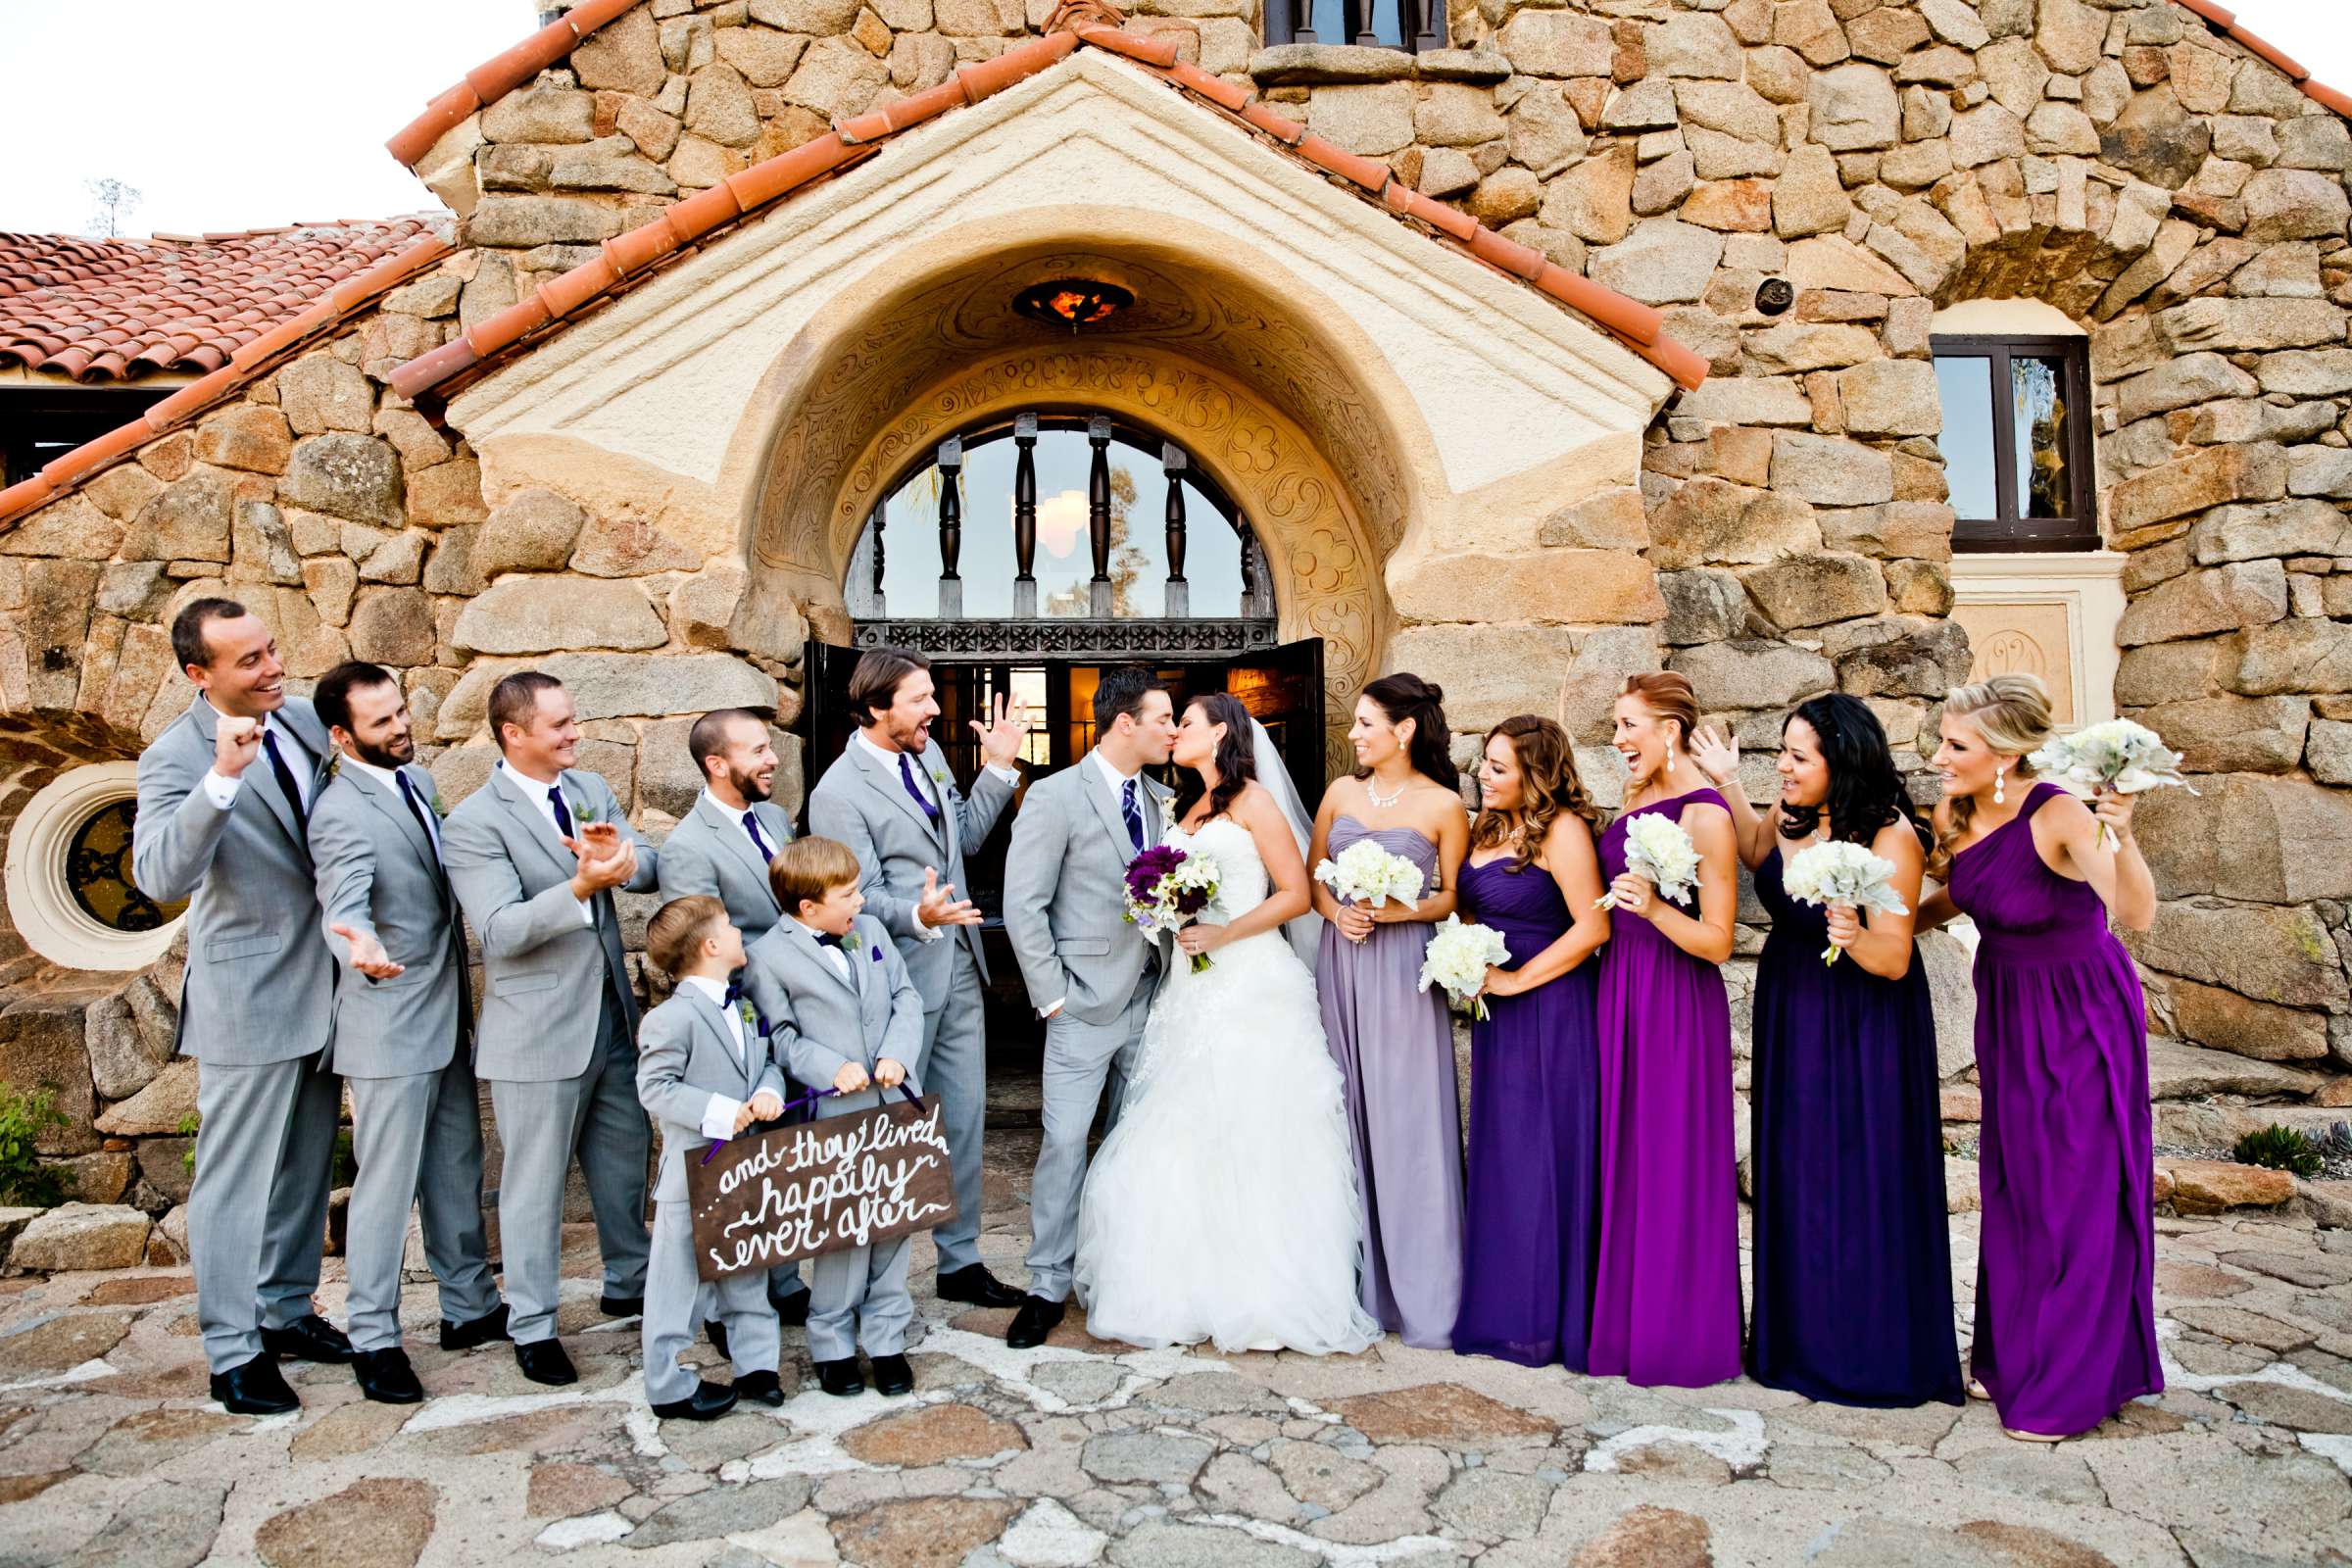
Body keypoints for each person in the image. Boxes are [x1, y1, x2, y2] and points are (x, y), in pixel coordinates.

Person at [1073, 694, 1380, 1354]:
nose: (1175, 731)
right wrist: (1164, 913)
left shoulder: (1253, 802)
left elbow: (1295, 893)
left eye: (1186, 722)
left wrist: (1224, 930)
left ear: (1221, 732)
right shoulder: (1187, 808)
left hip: (1249, 980)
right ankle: (1182, 1285)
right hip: (1190, 986)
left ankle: (1262, 1291)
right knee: (1186, 1125)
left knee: (1251, 1125)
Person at [1694, 695, 1962, 1409]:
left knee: (1859, 1171)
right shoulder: (1793, 820)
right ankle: (1798, 1342)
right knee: (1798, 1168)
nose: (1783, 765)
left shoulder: (1889, 836)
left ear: (1839, 762)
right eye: (1781, 751)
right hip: (1794, 1010)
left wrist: (1848, 929)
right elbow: (1756, 851)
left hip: (1863, 1022)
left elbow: (1894, 958)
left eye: (1798, 756)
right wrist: (1726, 778)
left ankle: (1864, 1348)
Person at [1919, 674, 2160, 1442]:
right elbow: (1961, 898)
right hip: (2011, 1013)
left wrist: (2123, 831)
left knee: (2075, 1186)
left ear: (2003, 751)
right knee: (2019, 1182)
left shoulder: (2056, 811)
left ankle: (2070, 1382)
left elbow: (2135, 913)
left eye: (1956, 745)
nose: (1939, 756)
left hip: (2081, 1012)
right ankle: (2013, 1355)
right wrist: (1869, 917)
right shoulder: (1956, 815)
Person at [131, 599, 350, 1415]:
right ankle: (231, 1352)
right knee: (233, 1183)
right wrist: (221, 779)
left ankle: (287, 1311)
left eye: (271, 650)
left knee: (304, 1167)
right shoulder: (172, 757)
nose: (273, 668)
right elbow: (157, 878)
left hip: (330, 984)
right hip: (249, 996)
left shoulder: (297, 721)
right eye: (250, 661)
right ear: (200, 675)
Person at [441, 671, 657, 1387]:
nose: (574, 733)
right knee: (532, 1187)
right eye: (559, 724)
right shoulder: (474, 822)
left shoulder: (590, 787)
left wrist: (624, 864)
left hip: (612, 1015)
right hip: (534, 1030)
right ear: (513, 733)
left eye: (573, 719)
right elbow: (500, 931)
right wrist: (580, 888)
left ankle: (631, 1280)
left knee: (626, 1161)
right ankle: (532, 1324)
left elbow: (643, 859)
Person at [807, 647, 1028, 1313]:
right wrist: (914, 914)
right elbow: (853, 897)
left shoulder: (927, 757)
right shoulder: (836, 794)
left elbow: (961, 837)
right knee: (893, 1132)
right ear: (878, 709)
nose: (935, 709)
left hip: (961, 966)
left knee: (962, 1121)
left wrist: (997, 769)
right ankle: (875, 1286)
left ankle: (959, 1262)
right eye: (921, 699)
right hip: (894, 984)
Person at [309, 662, 506, 1405]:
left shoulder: (417, 784)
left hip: (446, 1007)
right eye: (383, 721)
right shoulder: (339, 814)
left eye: (400, 711)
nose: (401, 728)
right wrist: (356, 945)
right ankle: (374, 1337)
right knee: (386, 1187)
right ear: (341, 733)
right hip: (388, 1018)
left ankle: (469, 1307)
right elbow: (345, 899)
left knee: (457, 1161)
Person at [1000, 666, 1178, 1348]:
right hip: (1080, 1004)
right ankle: (1046, 1284)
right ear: (1124, 722)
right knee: (1066, 1144)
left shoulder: (1163, 797)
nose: (1172, 729)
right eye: (1163, 718)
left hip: (1152, 997)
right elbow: (1025, 904)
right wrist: (1053, 998)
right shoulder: (1054, 795)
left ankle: (1122, 1272)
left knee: (1136, 1144)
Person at [1306, 672, 1469, 1349]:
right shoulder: (1340, 792)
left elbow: (1452, 897)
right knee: (1342, 1110)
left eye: (1366, 723)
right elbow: (1314, 876)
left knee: (1408, 1117)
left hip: (1404, 969)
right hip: (1340, 963)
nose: (1353, 735)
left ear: (1403, 730)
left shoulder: (1443, 805)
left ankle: (1422, 1288)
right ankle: (1352, 1280)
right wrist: (1338, 909)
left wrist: (1401, 906)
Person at [1589, 671, 1741, 1388]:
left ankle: (1680, 1335)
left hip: (1677, 998)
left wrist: (1651, 910)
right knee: (1627, 1153)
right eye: (1615, 727)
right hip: (1619, 988)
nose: (1618, 740)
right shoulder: (1634, 800)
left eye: (1628, 725)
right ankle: (1625, 1326)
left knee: (1673, 1157)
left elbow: (1717, 940)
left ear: (1670, 730)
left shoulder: (1705, 814)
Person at [1450, 716, 1609, 1371]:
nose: (1484, 776)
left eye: (1498, 767)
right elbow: (1470, 904)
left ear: (1534, 774)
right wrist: (1463, 959)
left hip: (1551, 1010)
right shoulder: (1489, 827)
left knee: (1545, 1156)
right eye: (1484, 764)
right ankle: (1503, 1307)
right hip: (1498, 1016)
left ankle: (1545, 1317)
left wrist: (1516, 981)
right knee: (1504, 1154)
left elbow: (1593, 927)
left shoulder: (1563, 831)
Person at [744, 839, 928, 1397]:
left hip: (895, 1101)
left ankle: (888, 1339)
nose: (858, 900)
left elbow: (905, 997)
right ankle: (832, 1343)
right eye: (846, 894)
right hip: (835, 1109)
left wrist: (897, 1052)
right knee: (844, 1233)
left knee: (895, 1223)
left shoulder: (869, 931)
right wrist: (832, 1066)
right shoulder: (766, 956)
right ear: (808, 908)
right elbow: (779, 1037)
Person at [657, 707, 808, 1323]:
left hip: (798, 1016)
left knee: (789, 1156)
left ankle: (785, 1276)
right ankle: (725, 1311)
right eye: (756, 751)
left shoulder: (774, 817)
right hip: (742, 1024)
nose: (772, 760)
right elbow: (706, 953)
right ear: (717, 765)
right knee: (739, 1169)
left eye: (770, 747)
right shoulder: (688, 847)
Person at [634, 896, 790, 1421]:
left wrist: (768, 1090)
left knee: (748, 1267)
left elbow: (763, 1061)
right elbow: (655, 1089)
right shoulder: (670, 1019)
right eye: (730, 925)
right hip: (693, 1172)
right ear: (711, 946)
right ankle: (667, 1384)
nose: (739, 931)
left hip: (744, 1167)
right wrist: (723, 1111)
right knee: (679, 1285)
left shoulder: (740, 1004)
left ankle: (757, 1365)